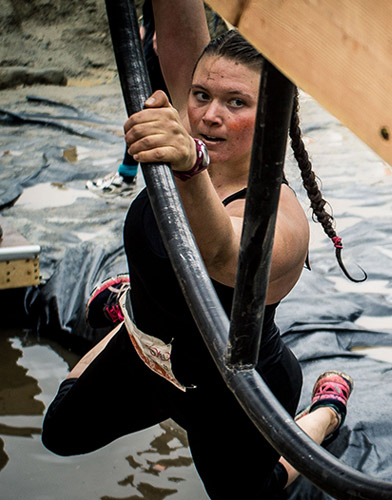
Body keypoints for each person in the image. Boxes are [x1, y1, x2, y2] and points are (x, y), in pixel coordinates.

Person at [42, 1, 355, 497]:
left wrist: (190, 168)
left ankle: (326, 412)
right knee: (59, 433)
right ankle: (130, 309)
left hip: (233, 387)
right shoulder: (193, 124)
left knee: (257, 494)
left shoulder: (283, 218)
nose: (210, 115)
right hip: (148, 354)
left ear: (274, 111)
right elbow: (176, 20)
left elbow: (222, 255)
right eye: (202, 94)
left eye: (237, 103)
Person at [86, 0, 168, 197]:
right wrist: (146, 23)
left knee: (150, 107)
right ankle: (129, 176)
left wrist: (165, 28)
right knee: (146, 107)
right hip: (154, 29)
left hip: (164, 34)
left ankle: (130, 177)